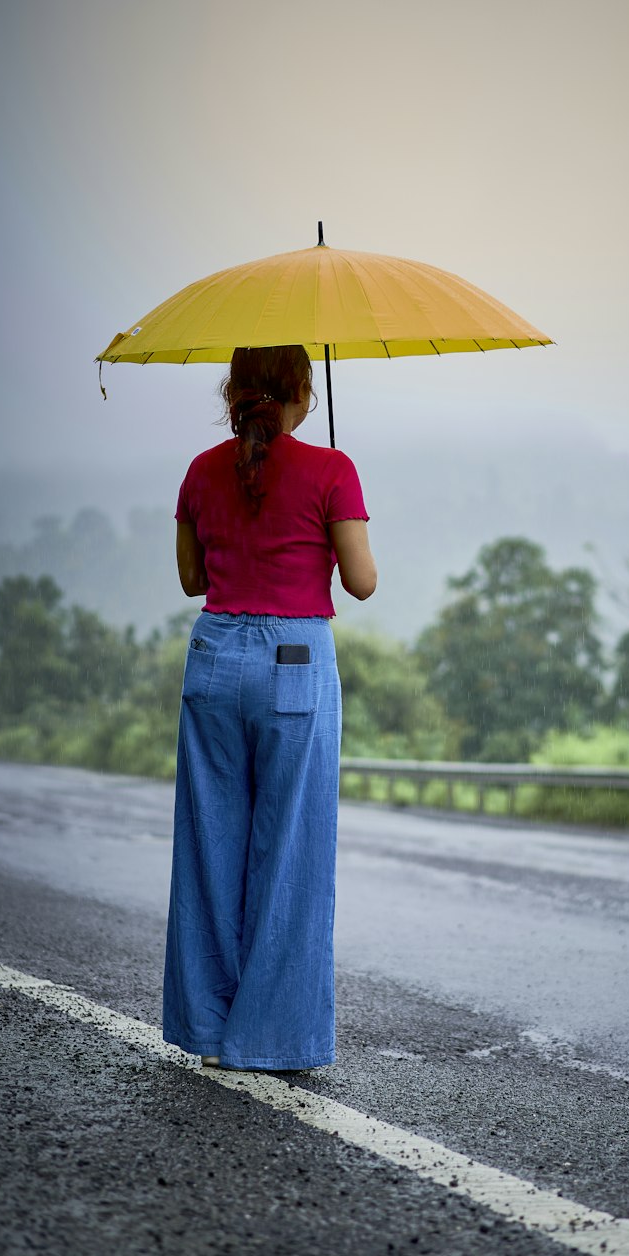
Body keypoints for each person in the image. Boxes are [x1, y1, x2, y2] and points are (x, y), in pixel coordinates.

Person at [162, 344, 376, 1072]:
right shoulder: (331, 470)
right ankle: (273, 1038)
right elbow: (363, 582)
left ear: (236, 392)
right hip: (295, 659)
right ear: (299, 393)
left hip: (216, 655)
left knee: (211, 841)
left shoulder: (200, 471)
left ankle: (214, 1033)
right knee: (290, 847)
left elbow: (194, 578)